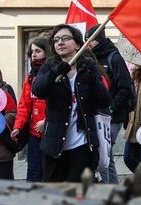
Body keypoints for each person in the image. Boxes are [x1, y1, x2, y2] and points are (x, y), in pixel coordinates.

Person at [32, 24, 111, 182]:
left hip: (82, 144)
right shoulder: (49, 66)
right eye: (56, 40)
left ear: (77, 44)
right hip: (55, 145)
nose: (60, 42)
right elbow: (38, 90)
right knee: (56, 191)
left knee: (79, 191)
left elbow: (104, 101)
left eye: (65, 38)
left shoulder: (87, 66)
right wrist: (56, 72)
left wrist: (94, 81)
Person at [85, 24, 136, 184]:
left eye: (91, 41)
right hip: (100, 115)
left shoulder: (114, 58)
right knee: (107, 157)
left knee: (102, 156)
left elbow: (125, 87)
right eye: (86, 41)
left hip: (113, 117)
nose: (88, 44)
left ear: (99, 40)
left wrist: (112, 108)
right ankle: (114, 189)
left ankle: (106, 191)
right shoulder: (93, 59)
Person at [11, 37, 50, 181]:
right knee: (33, 172)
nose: (34, 55)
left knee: (50, 173)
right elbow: (24, 105)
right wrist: (17, 127)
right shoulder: (30, 78)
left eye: (38, 51)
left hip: (52, 132)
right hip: (34, 133)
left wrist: (47, 121)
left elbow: (62, 104)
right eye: (32, 52)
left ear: (47, 52)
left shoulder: (55, 74)